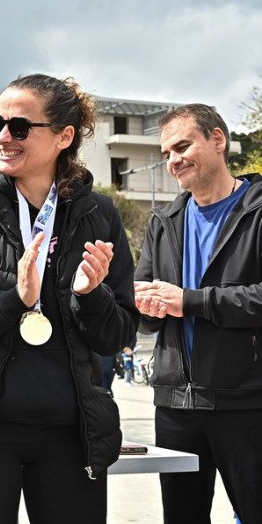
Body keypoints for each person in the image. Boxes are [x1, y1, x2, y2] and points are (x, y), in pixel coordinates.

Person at [0, 74, 138, 523]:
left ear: (64, 136)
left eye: (18, 127)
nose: (2, 136)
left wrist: (92, 297)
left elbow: (118, 333)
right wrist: (13, 300)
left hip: (70, 435)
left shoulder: (101, 214)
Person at [133, 103, 262, 524]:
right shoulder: (164, 220)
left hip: (246, 401)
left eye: (182, 146)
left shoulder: (257, 210)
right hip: (174, 406)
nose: (173, 161)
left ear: (218, 140)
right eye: (166, 153)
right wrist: (142, 304)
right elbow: (148, 310)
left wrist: (190, 300)